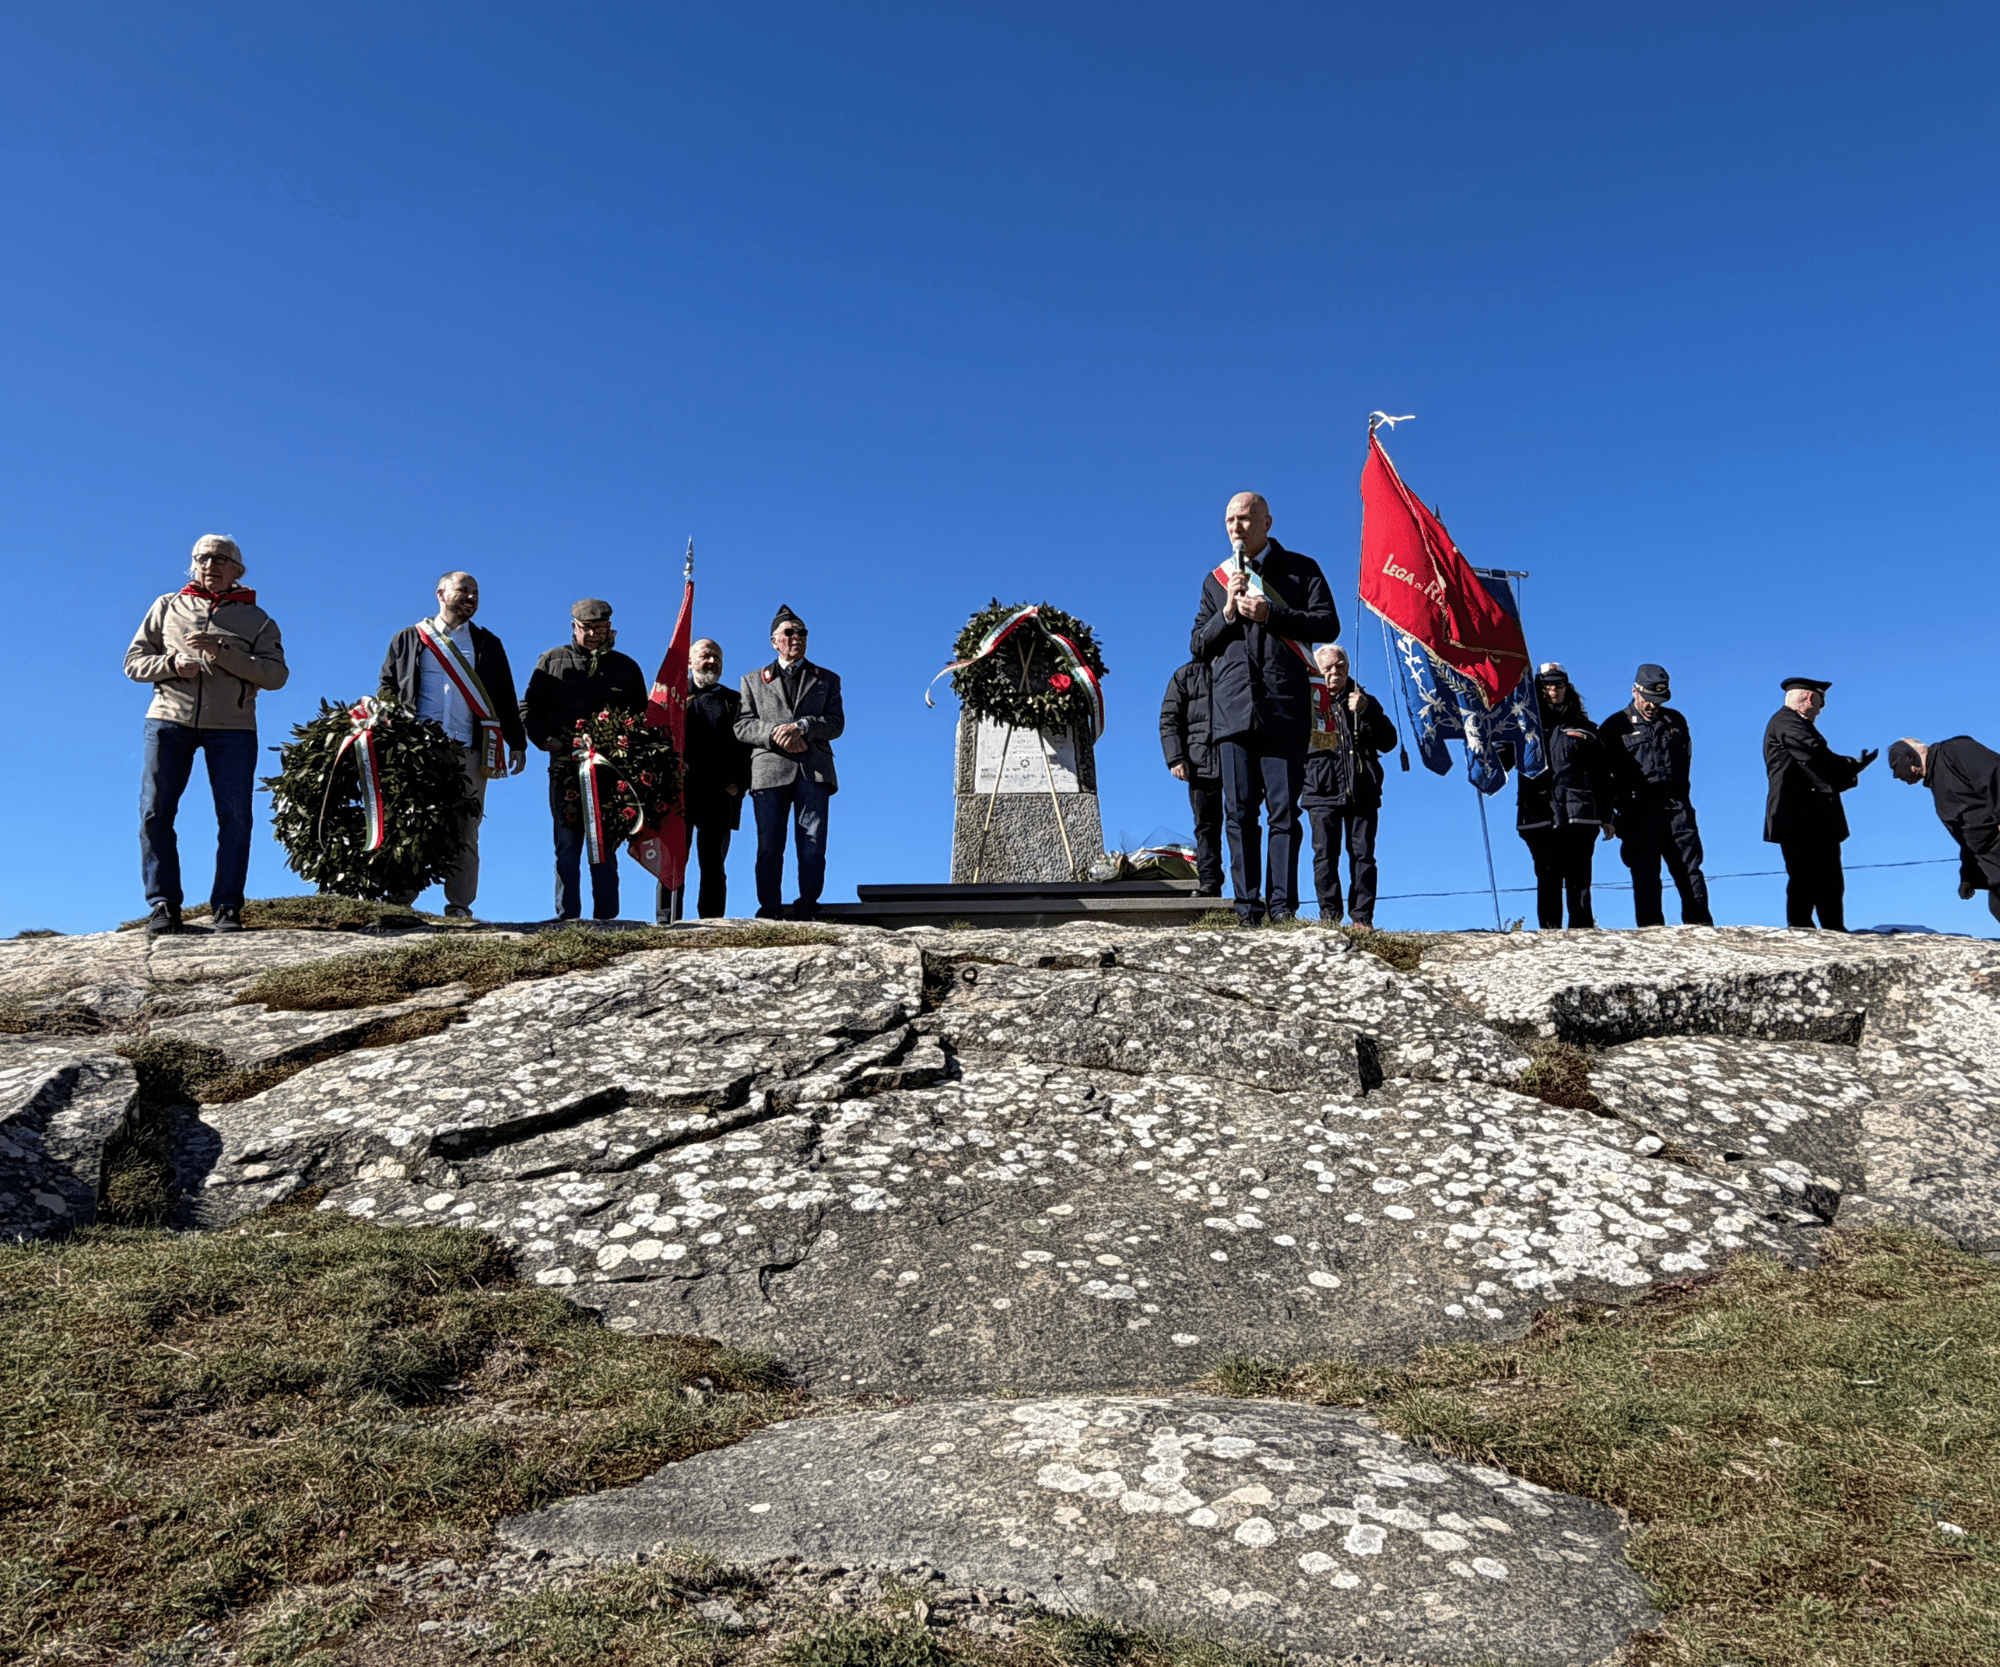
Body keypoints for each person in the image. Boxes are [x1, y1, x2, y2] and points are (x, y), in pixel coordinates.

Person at [1188, 491, 1340, 925]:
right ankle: (1248, 907)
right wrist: (1229, 614)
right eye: (1230, 520)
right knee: (1237, 813)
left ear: (1267, 522)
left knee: (1283, 812)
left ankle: (1281, 906)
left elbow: (1328, 623)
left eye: (1246, 519)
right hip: (1232, 712)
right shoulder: (1215, 582)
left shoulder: (1301, 569)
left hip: (1283, 708)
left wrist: (1271, 614)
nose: (1237, 527)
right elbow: (1197, 644)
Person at [125, 535, 289, 935]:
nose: (209, 564)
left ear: (238, 570)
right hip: (168, 721)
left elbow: (276, 676)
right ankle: (163, 904)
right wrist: (172, 663)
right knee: (155, 812)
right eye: (201, 558)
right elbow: (133, 663)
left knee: (235, 818)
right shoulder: (166, 606)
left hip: (232, 729)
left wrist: (224, 653)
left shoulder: (259, 620)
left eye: (220, 558)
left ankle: (228, 907)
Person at [378, 571, 528, 919]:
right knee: (411, 822)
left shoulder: (488, 643)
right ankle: (400, 901)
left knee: (465, 830)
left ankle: (459, 907)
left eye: (475, 592)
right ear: (440, 594)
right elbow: (387, 685)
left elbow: (505, 696)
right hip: (418, 749)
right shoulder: (408, 638)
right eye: (463, 591)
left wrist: (517, 743)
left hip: (469, 751)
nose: (471, 598)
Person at [520, 598, 648, 922]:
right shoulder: (552, 661)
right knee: (567, 841)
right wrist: (544, 738)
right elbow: (527, 709)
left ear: (610, 628)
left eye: (601, 628)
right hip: (565, 765)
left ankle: (607, 917)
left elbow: (642, 719)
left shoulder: (627, 668)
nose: (594, 634)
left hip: (610, 770)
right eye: (587, 628)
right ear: (574, 627)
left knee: (604, 844)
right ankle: (568, 916)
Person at [736, 605, 844, 920]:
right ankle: (770, 908)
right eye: (789, 632)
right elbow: (742, 726)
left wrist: (805, 727)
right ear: (774, 640)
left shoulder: (827, 679)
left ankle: (808, 905)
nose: (796, 637)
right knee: (769, 845)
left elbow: (836, 723)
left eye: (802, 632)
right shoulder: (753, 680)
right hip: (770, 772)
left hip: (813, 770)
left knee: (812, 844)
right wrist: (775, 734)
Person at [1598, 662, 1713, 928]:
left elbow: (1685, 761)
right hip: (1638, 812)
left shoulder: (1676, 721)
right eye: (1649, 699)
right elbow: (1604, 776)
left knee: (1690, 872)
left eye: (1658, 700)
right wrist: (1613, 813)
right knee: (1646, 878)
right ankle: (1652, 938)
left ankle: (1701, 931)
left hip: (1677, 809)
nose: (1653, 705)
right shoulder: (1614, 727)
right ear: (1635, 691)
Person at [1763, 677, 1877, 931]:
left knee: (1829, 881)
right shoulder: (1787, 722)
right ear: (1810, 699)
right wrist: (1851, 766)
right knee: (1805, 877)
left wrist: (1849, 770)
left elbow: (1818, 768)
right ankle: (1802, 930)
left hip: (1814, 818)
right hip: (1798, 817)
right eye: (1820, 706)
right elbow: (1816, 756)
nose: (1819, 712)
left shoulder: (1795, 724)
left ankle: (1833, 930)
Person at [1301, 644, 1398, 927]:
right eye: (1328, 667)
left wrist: (1367, 711)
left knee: (1363, 855)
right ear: (1317, 671)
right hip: (1321, 788)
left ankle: (1362, 918)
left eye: (1340, 665)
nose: (1335, 672)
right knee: (1325, 855)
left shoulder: (1365, 700)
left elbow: (1388, 742)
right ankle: (1330, 916)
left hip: (1362, 789)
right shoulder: (1306, 700)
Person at [658, 638, 753, 922]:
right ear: (689, 661)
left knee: (713, 863)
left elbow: (747, 746)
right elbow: (653, 737)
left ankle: (711, 920)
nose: (711, 662)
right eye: (705, 656)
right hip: (679, 791)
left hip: (719, 794)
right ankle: (667, 919)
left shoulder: (735, 701)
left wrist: (739, 783)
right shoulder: (670, 697)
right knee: (672, 861)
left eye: (717, 658)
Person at [1516, 662, 1612, 930]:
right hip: (1538, 813)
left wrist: (1607, 815)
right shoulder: (1523, 728)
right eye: (1547, 686)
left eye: (1558, 685)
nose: (1553, 691)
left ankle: (1581, 935)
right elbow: (1500, 760)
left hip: (1580, 815)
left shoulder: (1587, 729)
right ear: (1538, 690)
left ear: (1567, 689)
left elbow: (1602, 775)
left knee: (1579, 878)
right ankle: (1549, 938)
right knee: (1548, 877)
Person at [1888, 735, 2000, 927]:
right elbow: (1966, 833)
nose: (1896, 776)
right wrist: (1968, 874)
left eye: (1896, 767)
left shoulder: (1954, 751)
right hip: (1990, 858)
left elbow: (1995, 774)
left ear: (1911, 757)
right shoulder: (1936, 783)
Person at [1158, 659, 1223, 897]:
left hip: (1237, 756)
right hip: (1200, 759)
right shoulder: (1186, 675)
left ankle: (1246, 885)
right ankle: (1209, 882)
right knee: (1206, 825)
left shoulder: (1240, 666)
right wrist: (1176, 757)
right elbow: (1170, 717)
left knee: (1242, 823)